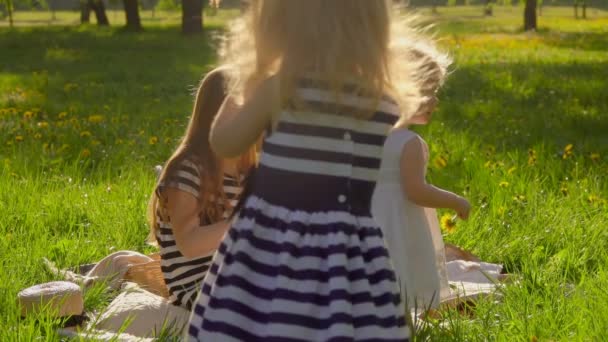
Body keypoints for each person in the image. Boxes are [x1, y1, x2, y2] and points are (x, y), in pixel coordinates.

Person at [187, 1, 435, 340]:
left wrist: (247, 87)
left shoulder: (280, 90)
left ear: (279, 28)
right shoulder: (382, 103)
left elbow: (225, 142)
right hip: (350, 251)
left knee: (261, 322)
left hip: (273, 246)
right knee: (348, 321)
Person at [371, 45, 471, 311]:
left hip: (370, 217)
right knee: (404, 269)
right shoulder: (409, 143)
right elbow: (416, 191)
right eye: (429, 93)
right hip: (399, 222)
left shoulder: (366, 135)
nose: (436, 101)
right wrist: (456, 201)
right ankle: (405, 322)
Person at [147, 67, 256, 310]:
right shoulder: (187, 170)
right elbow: (190, 243)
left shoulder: (250, 170)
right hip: (200, 287)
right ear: (214, 118)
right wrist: (246, 220)